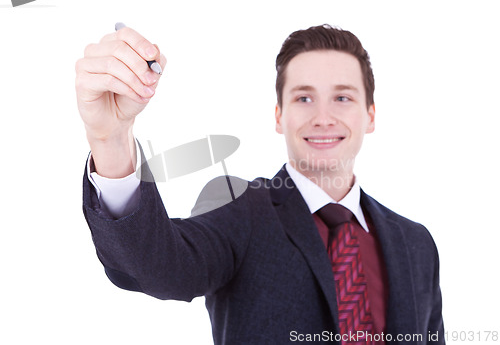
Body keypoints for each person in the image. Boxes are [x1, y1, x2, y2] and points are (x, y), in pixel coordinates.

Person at [76, 24, 445, 344]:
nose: (323, 117)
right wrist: (111, 138)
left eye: (342, 97)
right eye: (304, 98)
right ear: (279, 116)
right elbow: (160, 267)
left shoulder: (416, 244)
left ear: (370, 116)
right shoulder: (240, 208)